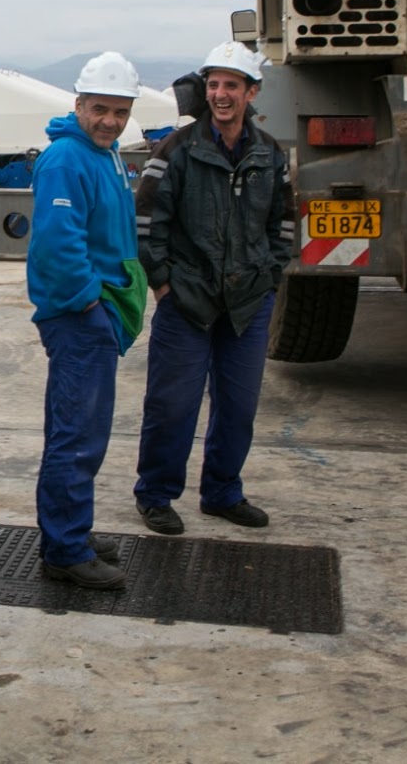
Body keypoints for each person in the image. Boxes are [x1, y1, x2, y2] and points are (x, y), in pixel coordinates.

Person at [133, 41, 296, 535]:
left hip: (247, 302)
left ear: (252, 92)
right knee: (172, 405)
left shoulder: (270, 153)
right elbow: (147, 222)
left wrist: (269, 278)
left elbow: (284, 223)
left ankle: (223, 492)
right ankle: (156, 494)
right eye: (214, 85)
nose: (221, 94)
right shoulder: (177, 150)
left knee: (239, 405)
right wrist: (162, 285)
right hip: (187, 300)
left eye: (231, 85)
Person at [26, 51, 148, 591]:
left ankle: (72, 529)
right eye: (100, 109)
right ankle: (65, 550)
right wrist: (88, 304)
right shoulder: (65, 160)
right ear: (78, 104)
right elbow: (58, 243)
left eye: (120, 112)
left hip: (96, 317)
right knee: (76, 435)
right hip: (79, 319)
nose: (110, 122)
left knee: (83, 432)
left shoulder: (106, 155)